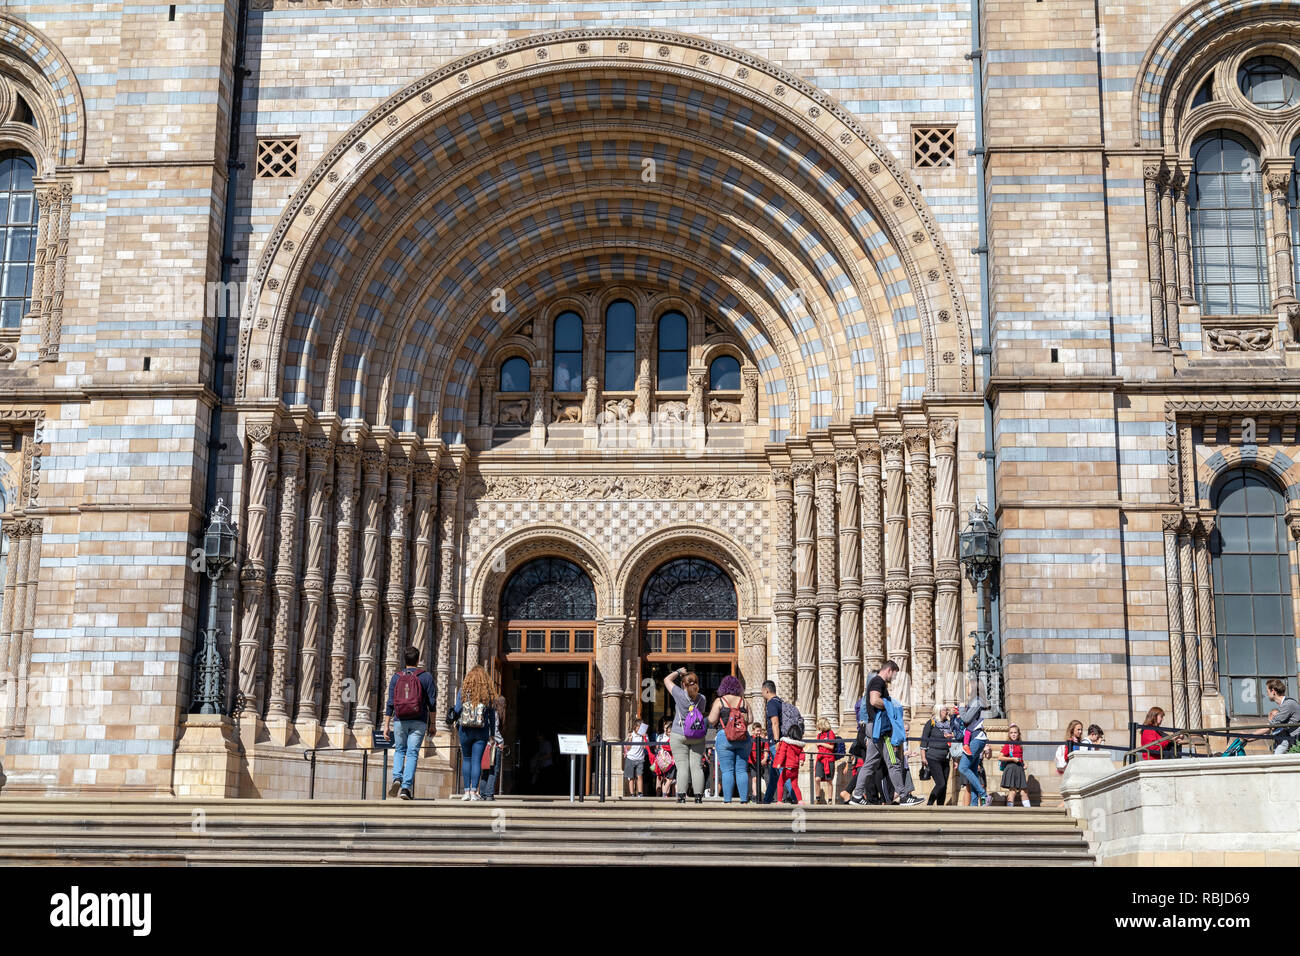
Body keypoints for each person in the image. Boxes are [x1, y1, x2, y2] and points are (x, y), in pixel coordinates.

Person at [849, 660, 923, 806]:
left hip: (872, 728)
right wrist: (892, 706)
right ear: (889, 670)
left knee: (870, 763)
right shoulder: (878, 682)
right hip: (880, 730)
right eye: (894, 675)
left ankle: (857, 795)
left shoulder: (876, 682)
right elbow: (874, 700)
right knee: (894, 762)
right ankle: (903, 796)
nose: (893, 679)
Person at [382, 644, 436, 801]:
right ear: (418, 660)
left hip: (399, 720)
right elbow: (432, 703)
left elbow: (390, 703)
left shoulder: (396, 677)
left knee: (399, 750)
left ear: (404, 660)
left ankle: (397, 778)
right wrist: (432, 724)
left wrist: (386, 725)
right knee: (412, 753)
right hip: (418, 721)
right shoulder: (426, 677)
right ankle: (406, 787)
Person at [448, 665, 498, 799]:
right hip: (481, 731)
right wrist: (492, 733)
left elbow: (458, 710)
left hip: (465, 730)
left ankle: (465, 792)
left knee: (467, 759)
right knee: (477, 761)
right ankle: (474, 791)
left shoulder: (463, 691)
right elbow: (492, 716)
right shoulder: (487, 693)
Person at [665, 666, 709, 803]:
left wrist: (678, 672)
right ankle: (698, 797)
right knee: (697, 767)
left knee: (682, 766)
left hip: (679, 733)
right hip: (697, 735)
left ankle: (682, 796)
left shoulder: (679, 694)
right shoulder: (702, 698)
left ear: (683, 684)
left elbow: (666, 679)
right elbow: (700, 714)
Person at [707, 674, 750, 803]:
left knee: (727, 770)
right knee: (742, 770)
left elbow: (712, 720)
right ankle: (743, 800)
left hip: (724, 736)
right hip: (742, 738)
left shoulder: (720, 701)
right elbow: (751, 720)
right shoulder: (743, 701)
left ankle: (727, 800)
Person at [957, 680, 989, 806]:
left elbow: (966, 718)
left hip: (977, 739)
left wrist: (961, 707)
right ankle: (974, 804)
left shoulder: (977, 701)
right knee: (973, 772)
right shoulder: (975, 702)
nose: (967, 688)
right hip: (975, 739)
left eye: (969, 686)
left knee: (963, 767)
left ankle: (983, 794)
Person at [920, 704, 954, 805]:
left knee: (944, 786)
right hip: (933, 757)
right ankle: (930, 804)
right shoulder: (931, 723)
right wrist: (923, 757)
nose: (946, 712)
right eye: (944, 710)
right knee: (940, 783)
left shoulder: (949, 724)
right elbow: (923, 741)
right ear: (939, 711)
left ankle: (940, 808)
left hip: (946, 757)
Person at [477, 694, 507, 800]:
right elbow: (494, 730)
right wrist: (501, 741)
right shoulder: (495, 713)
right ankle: (489, 794)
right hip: (493, 745)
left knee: (485, 769)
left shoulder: (487, 711)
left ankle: (483, 793)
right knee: (493, 770)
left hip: (484, 744)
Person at [760, 680, 784, 804]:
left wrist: (776, 741)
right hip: (779, 741)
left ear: (767, 690)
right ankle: (767, 799)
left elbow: (775, 723)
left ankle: (796, 798)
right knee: (774, 772)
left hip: (776, 742)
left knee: (781, 770)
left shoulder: (771, 703)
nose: (762, 693)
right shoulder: (780, 702)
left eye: (762, 691)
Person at [773, 722, 806, 803]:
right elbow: (802, 753)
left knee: (780, 783)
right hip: (795, 767)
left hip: (788, 767)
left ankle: (779, 801)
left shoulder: (786, 742)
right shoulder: (799, 745)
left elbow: (782, 753)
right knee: (795, 785)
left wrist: (779, 763)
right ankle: (800, 800)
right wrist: (801, 760)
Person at [999, 723, 1030, 808]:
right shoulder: (1008, 745)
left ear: (1018, 734)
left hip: (1019, 769)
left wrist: (1023, 764)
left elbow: (1020, 757)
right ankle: (1009, 810)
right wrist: (1012, 759)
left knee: (1024, 791)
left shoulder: (1019, 745)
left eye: (1015, 732)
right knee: (1012, 791)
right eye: (1011, 732)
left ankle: (1029, 812)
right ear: (1009, 734)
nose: (1013, 734)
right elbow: (1000, 757)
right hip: (1011, 768)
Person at [1266, 679, 1300, 754]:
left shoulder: (1288, 704)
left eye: (1267, 691)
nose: (1267, 694)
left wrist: (1251, 735)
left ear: (1273, 691)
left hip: (1296, 742)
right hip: (1294, 741)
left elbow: (1272, 725)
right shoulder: (1286, 704)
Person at [814, 717, 838, 804]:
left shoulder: (830, 733)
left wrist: (821, 743)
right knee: (817, 779)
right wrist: (821, 744)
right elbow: (818, 746)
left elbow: (831, 747)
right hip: (820, 759)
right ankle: (817, 798)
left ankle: (830, 799)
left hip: (829, 759)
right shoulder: (819, 735)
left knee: (829, 780)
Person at [624, 719, 649, 797]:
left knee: (639, 776)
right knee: (631, 777)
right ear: (635, 727)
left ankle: (640, 793)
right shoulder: (631, 735)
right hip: (630, 758)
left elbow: (646, 747)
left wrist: (645, 738)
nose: (640, 730)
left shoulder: (644, 736)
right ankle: (632, 794)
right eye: (639, 727)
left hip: (640, 759)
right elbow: (627, 748)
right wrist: (630, 739)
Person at [748, 722, 765, 800]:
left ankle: (759, 794)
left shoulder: (762, 740)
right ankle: (755, 794)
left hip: (760, 762)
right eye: (757, 731)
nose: (759, 732)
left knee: (759, 778)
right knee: (754, 778)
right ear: (753, 731)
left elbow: (765, 749)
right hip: (752, 762)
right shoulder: (750, 739)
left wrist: (764, 758)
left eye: (760, 731)